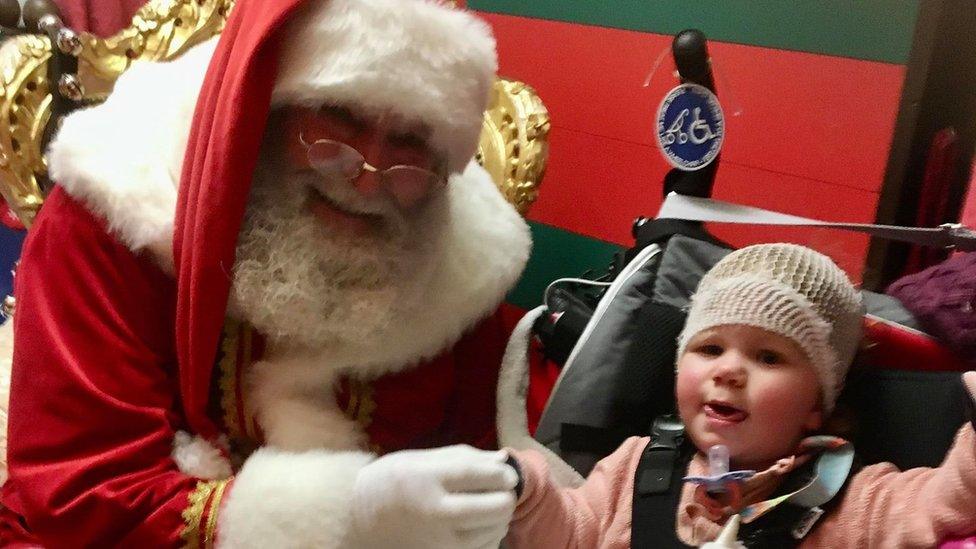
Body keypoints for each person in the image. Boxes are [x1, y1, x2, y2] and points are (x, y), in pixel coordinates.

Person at [0, 0, 531, 547]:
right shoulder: (115, 208)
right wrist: (348, 514)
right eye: (339, 118)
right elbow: (84, 494)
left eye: (411, 144)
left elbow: (492, 449)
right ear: (264, 109)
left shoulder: (466, 267)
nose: (367, 180)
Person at [504, 244, 976, 548]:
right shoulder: (636, 467)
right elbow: (570, 530)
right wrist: (522, 489)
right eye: (709, 348)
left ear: (817, 405)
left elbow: (944, 502)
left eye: (769, 358)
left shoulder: (854, 503)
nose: (728, 369)